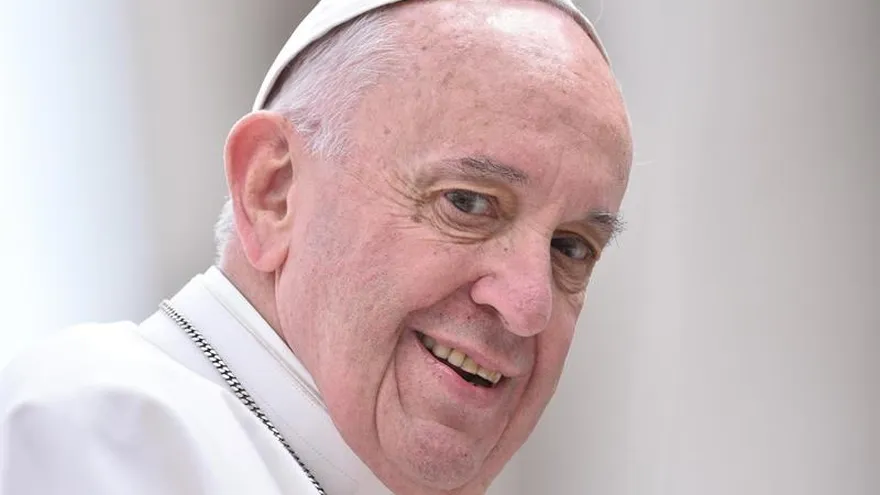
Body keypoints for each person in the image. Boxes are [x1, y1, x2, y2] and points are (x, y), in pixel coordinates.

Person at [0, 0, 632, 493]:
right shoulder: (101, 431)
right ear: (272, 192)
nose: (528, 305)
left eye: (571, 248)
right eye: (466, 203)